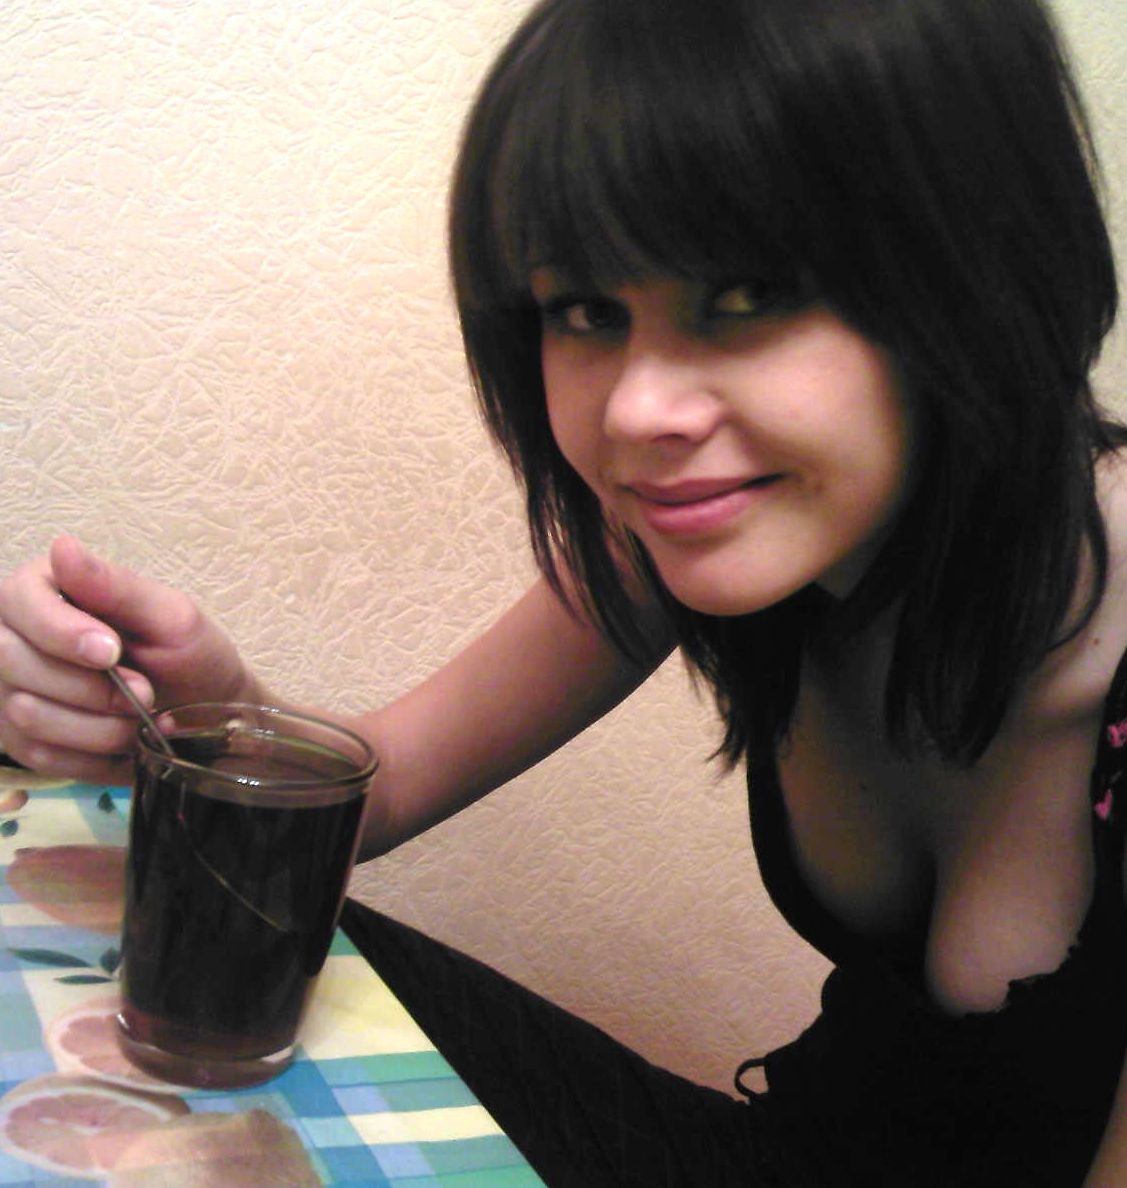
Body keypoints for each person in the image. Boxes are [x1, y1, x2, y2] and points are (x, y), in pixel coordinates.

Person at [0, 0, 1122, 1182]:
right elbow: (378, 795)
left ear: (982, 259)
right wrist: (211, 723)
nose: (636, 411)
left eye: (747, 295)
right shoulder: (714, 531)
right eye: (585, 311)